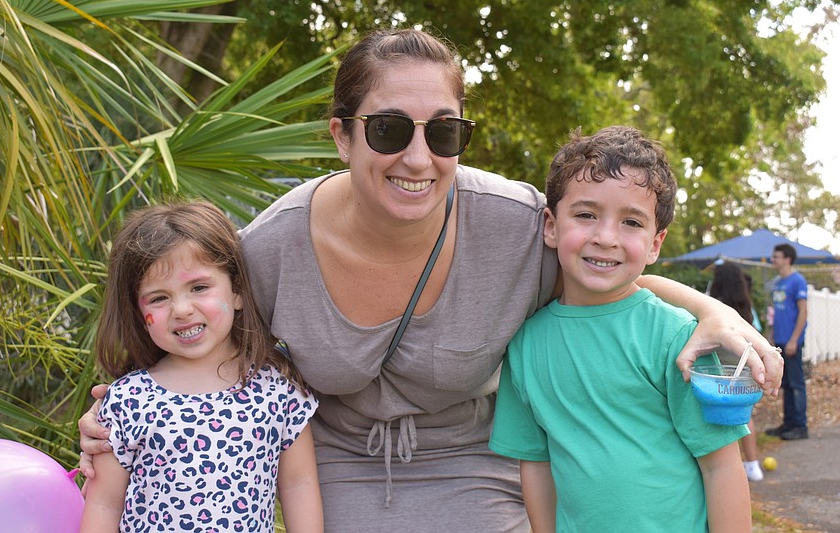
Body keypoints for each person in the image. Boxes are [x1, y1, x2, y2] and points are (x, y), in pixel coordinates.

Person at [79, 28, 782, 532]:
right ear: (341, 135)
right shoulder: (270, 250)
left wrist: (714, 315)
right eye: (388, 129)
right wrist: (120, 420)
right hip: (335, 474)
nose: (418, 158)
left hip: (481, 466)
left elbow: (603, 267)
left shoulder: (510, 223)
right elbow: (208, 345)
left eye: (443, 132)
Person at [489, 126, 751, 532]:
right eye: (586, 215)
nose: (605, 237)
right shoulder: (523, 344)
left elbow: (721, 466)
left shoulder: (679, 337)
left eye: (631, 222)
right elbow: (536, 465)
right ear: (551, 225)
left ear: (655, 244)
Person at [78, 202, 322, 532]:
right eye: (159, 298)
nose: (181, 309)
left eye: (199, 288)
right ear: (139, 313)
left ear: (236, 290)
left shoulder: (279, 391)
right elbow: (103, 503)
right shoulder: (127, 400)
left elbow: (298, 486)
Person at [709, 262, 765, 481]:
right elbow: (757, 336)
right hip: (743, 375)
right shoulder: (747, 310)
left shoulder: (711, 308)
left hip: (717, 375)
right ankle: (753, 465)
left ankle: (725, 467)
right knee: (745, 417)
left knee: (718, 421)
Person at [766, 243, 809, 440]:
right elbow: (776, 314)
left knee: (796, 383)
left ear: (787, 259)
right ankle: (789, 424)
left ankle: (800, 426)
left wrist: (794, 339)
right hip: (780, 340)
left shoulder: (797, 281)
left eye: (776, 257)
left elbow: (803, 312)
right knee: (786, 384)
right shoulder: (778, 283)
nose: (773, 260)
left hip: (792, 342)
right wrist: (773, 336)